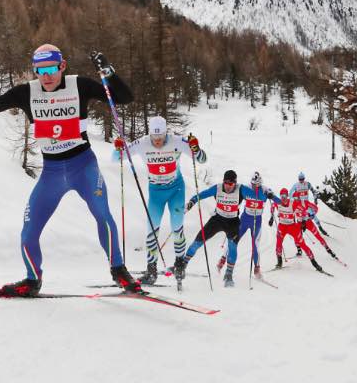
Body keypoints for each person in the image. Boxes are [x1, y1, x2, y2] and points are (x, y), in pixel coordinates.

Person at [0, 44, 140, 297]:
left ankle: (119, 271)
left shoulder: (79, 85)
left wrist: (108, 73)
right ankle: (31, 280)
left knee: (103, 215)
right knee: (28, 231)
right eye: (40, 70)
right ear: (35, 71)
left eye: (51, 69)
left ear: (62, 66)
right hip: (51, 173)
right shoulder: (26, 92)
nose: (46, 76)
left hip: (83, 166)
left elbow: (125, 98)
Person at [113, 116, 206, 284]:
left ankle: (179, 265)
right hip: (155, 193)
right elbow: (115, 158)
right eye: (154, 138)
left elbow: (202, 159)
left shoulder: (177, 141)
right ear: (150, 134)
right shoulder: (142, 143)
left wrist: (196, 148)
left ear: (165, 133)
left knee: (177, 227)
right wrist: (118, 148)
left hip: (176, 190)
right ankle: (151, 271)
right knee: (152, 230)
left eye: (161, 138)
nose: (157, 142)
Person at [181, 170, 257, 287]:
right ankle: (182, 265)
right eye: (226, 183)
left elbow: (257, 196)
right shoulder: (217, 188)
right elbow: (200, 195)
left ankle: (228, 274)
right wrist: (191, 202)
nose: (228, 186)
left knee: (232, 246)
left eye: (231, 184)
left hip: (232, 222)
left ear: (235, 183)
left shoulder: (241, 189)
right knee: (198, 241)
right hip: (217, 219)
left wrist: (264, 194)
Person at [216, 172, 280, 279]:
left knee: (255, 244)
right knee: (233, 239)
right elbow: (236, 196)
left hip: (257, 220)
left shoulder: (264, 189)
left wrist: (271, 196)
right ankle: (222, 261)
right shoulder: (247, 188)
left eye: (256, 185)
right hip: (245, 218)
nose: (254, 186)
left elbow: (278, 201)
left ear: (260, 184)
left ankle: (257, 269)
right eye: (253, 184)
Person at [269, 188, 325, 273]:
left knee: (302, 244)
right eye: (282, 196)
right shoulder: (277, 202)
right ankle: (279, 262)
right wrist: (271, 217)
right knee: (278, 242)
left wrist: (304, 219)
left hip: (292, 227)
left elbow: (301, 209)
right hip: (282, 226)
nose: (283, 197)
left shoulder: (292, 203)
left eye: (285, 195)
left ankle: (315, 263)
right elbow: (272, 205)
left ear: (287, 195)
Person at [293, 199, 342, 263]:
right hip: (299, 223)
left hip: (308, 223)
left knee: (318, 236)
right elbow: (291, 213)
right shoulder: (293, 204)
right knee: (296, 236)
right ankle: (299, 250)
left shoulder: (305, 202)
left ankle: (329, 250)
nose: (296, 199)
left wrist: (312, 215)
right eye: (294, 197)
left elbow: (316, 208)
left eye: (297, 197)